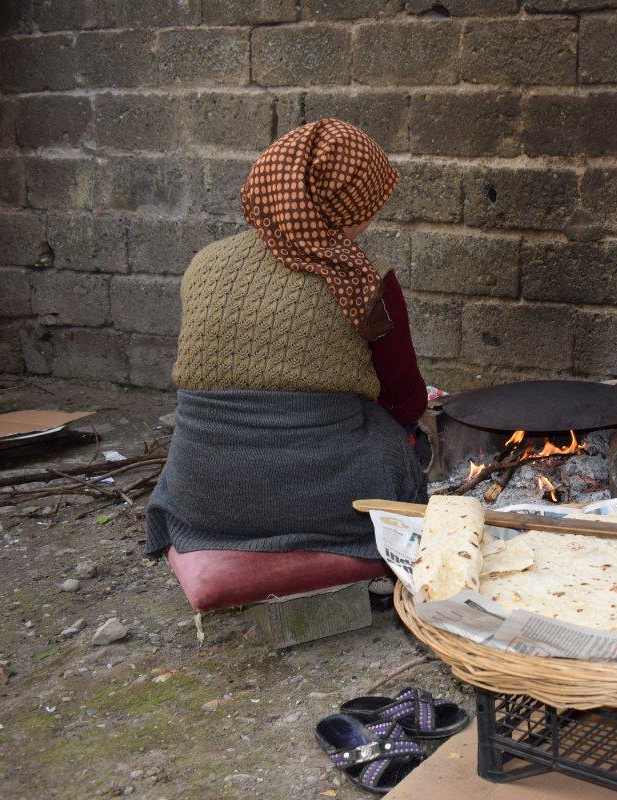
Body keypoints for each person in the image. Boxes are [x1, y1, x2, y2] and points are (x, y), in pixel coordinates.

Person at [146, 119, 427, 560]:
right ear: (345, 207)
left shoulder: (206, 263)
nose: (371, 218)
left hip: (201, 497)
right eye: (368, 205)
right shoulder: (365, 279)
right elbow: (406, 401)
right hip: (333, 504)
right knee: (408, 439)